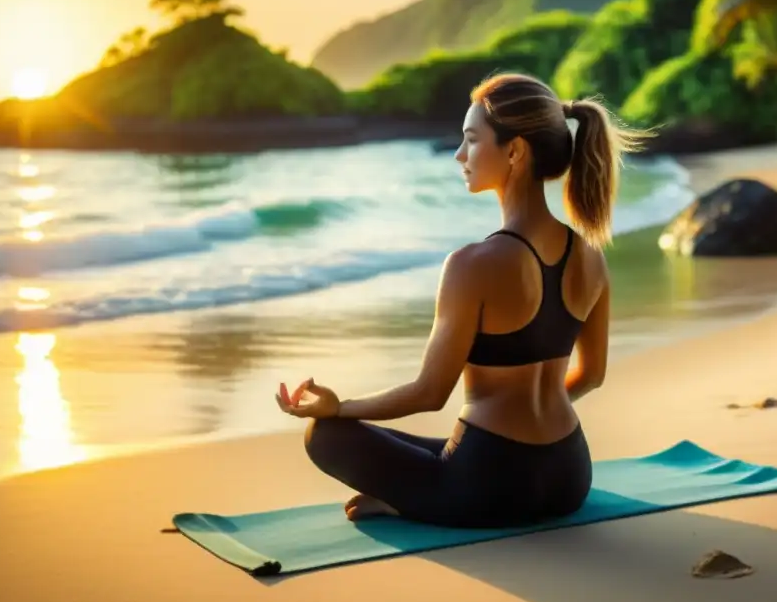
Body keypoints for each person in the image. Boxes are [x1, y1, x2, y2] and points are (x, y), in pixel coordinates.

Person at [275, 71, 650, 529]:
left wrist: (338, 408)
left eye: (471, 140)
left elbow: (430, 394)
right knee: (432, 445)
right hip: (569, 474)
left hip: (489, 487)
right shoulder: (591, 257)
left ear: (513, 151)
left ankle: (412, 500)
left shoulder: (472, 264)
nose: (459, 155)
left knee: (327, 435)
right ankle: (430, 485)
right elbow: (592, 375)